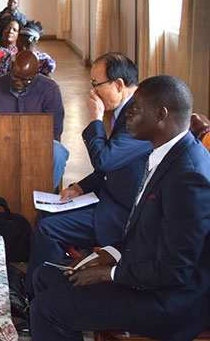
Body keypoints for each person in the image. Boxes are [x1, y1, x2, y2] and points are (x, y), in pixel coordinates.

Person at [29, 75, 210, 341]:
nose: (128, 115)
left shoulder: (188, 176)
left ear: (161, 115)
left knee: (45, 310)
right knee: (44, 275)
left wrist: (111, 274)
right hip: (141, 272)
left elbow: (176, 270)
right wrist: (111, 253)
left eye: (136, 109)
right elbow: (148, 231)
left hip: (165, 301)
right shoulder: (165, 153)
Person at [25, 53, 152, 293]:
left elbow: (105, 160)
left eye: (97, 84)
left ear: (119, 85)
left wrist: (95, 117)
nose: (92, 91)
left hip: (122, 212)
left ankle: (48, 296)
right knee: (44, 215)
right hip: (108, 196)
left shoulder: (139, 116)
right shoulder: (125, 110)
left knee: (47, 229)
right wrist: (80, 187)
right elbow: (117, 164)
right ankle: (37, 288)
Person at [0, 51, 67, 190]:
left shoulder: (50, 89)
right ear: (11, 67)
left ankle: (46, 195)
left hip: (39, 142)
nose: (18, 82)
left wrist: (32, 144)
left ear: (36, 74)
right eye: (15, 76)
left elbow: (55, 128)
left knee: (58, 153)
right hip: (3, 142)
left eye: (26, 80)